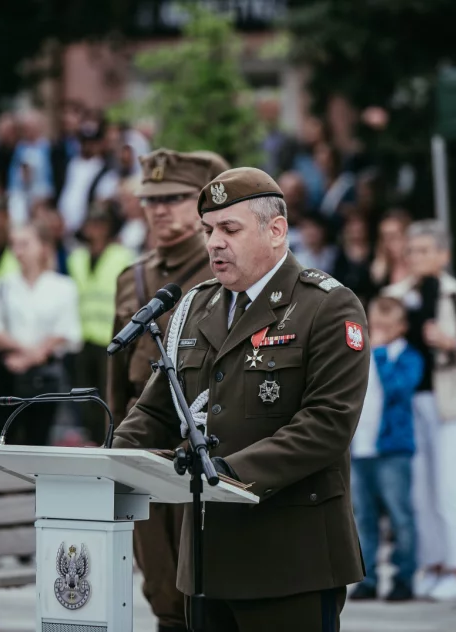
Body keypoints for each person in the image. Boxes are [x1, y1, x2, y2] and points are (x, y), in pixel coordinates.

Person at [112, 167, 368, 631]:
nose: (213, 242)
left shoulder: (326, 305)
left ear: (276, 231)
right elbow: (155, 409)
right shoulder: (194, 306)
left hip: (290, 559)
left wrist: (228, 475)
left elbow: (327, 424)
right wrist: (111, 463)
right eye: (208, 230)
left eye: (229, 229)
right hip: (207, 562)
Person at [109, 148, 229, 632]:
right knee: (157, 572)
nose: (159, 208)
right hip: (145, 438)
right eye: (150, 198)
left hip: (202, 437)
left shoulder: (222, 269)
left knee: (201, 574)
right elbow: (117, 379)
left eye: (176, 197)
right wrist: (112, 446)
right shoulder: (131, 278)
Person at [384, 220, 456, 601]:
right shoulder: (396, 294)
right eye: (412, 250)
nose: (416, 257)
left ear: (442, 255)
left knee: (450, 486)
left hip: (451, 402)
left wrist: (453, 343)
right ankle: (432, 563)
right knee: (419, 489)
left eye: (424, 250)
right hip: (408, 404)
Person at [0, 222, 82, 446]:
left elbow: (67, 332)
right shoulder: (0, 285)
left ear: (43, 247)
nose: (18, 251)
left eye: (25, 244)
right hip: (6, 369)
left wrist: (31, 357)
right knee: (1, 438)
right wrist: (25, 352)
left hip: (43, 375)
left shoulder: (63, 287)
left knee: (38, 440)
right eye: (14, 244)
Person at [349, 296, 423, 602]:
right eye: (375, 325)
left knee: (399, 515)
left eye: (386, 327)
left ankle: (404, 577)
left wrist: (378, 353)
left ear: (402, 327)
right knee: (363, 518)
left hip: (392, 450)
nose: (378, 332)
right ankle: (368, 578)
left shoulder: (408, 357)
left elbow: (398, 389)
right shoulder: (359, 355)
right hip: (360, 450)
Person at [67, 202, 134, 444]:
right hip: (82, 338)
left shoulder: (122, 256)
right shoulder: (76, 257)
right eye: (90, 223)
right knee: (84, 397)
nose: (94, 229)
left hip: (110, 338)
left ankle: (109, 441)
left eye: (100, 224)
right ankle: (92, 439)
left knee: (109, 396)